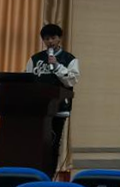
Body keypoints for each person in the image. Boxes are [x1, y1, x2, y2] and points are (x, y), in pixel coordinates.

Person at [25, 23, 80, 178]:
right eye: (46, 38)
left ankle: (48, 177)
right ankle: (33, 176)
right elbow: (27, 80)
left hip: (58, 109)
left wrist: (56, 65)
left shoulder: (70, 59)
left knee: (52, 145)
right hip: (38, 109)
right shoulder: (35, 59)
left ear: (59, 38)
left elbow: (71, 81)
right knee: (36, 144)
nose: (50, 41)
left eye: (53, 38)